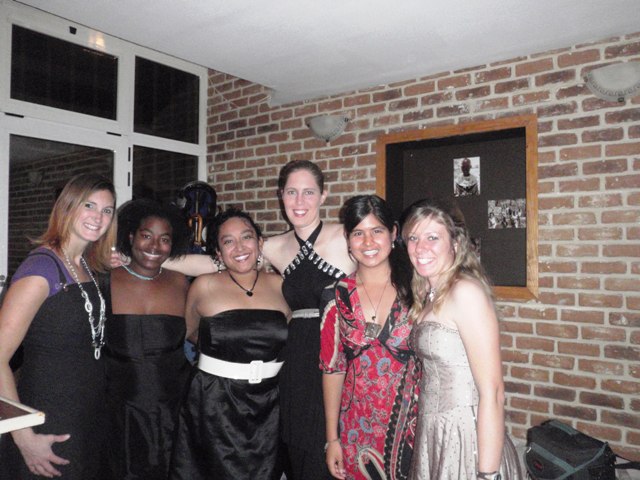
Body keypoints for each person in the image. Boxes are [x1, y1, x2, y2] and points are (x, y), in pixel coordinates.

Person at [161, 160, 356, 480]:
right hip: (295, 364)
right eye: (291, 192)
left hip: (339, 360)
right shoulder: (275, 246)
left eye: (309, 192)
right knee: (299, 456)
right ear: (281, 196)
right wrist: (151, 259)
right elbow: (220, 262)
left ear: (323, 196)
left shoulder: (348, 237)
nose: (300, 201)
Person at [0, 173, 117, 479]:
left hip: (86, 414)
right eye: (89, 205)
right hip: (47, 417)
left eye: (107, 210)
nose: (98, 217)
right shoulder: (41, 268)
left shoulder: (87, 265)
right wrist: (23, 436)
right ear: (67, 207)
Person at [400, 198, 522, 480]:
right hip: (435, 430)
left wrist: (487, 474)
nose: (420, 248)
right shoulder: (428, 294)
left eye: (433, 237)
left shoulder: (465, 292)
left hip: (466, 434)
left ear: (454, 244)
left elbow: (493, 392)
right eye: (413, 238)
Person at [169, 208, 291, 480]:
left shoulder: (282, 286)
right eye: (228, 241)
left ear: (260, 242)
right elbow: (190, 333)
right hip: (214, 402)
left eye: (246, 237)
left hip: (269, 403)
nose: (240, 247)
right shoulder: (204, 285)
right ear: (218, 252)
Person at [320, 195, 420, 480]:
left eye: (377, 230)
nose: (368, 242)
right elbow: (332, 368)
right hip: (355, 429)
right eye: (358, 233)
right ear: (347, 239)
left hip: (413, 429)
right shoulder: (335, 295)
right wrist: (332, 439)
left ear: (394, 233)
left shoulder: (419, 289)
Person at [102, 199, 191, 479]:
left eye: (164, 239)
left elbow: (196, 334)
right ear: (131, 237)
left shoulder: (181, 282)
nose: (155, 246)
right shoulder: (106, 281)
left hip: (174, 408)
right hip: (120, 410)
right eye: (146, 236)